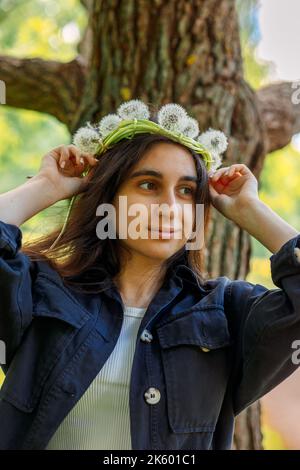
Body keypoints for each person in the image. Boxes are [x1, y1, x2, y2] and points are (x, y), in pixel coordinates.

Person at [0, 99, 300, 450]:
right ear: (109, 199)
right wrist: (46, 186)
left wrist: (252, 210)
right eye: (148, 185)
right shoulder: (42, 290)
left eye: (187, 191)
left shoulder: (227, 312)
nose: (170, 208)